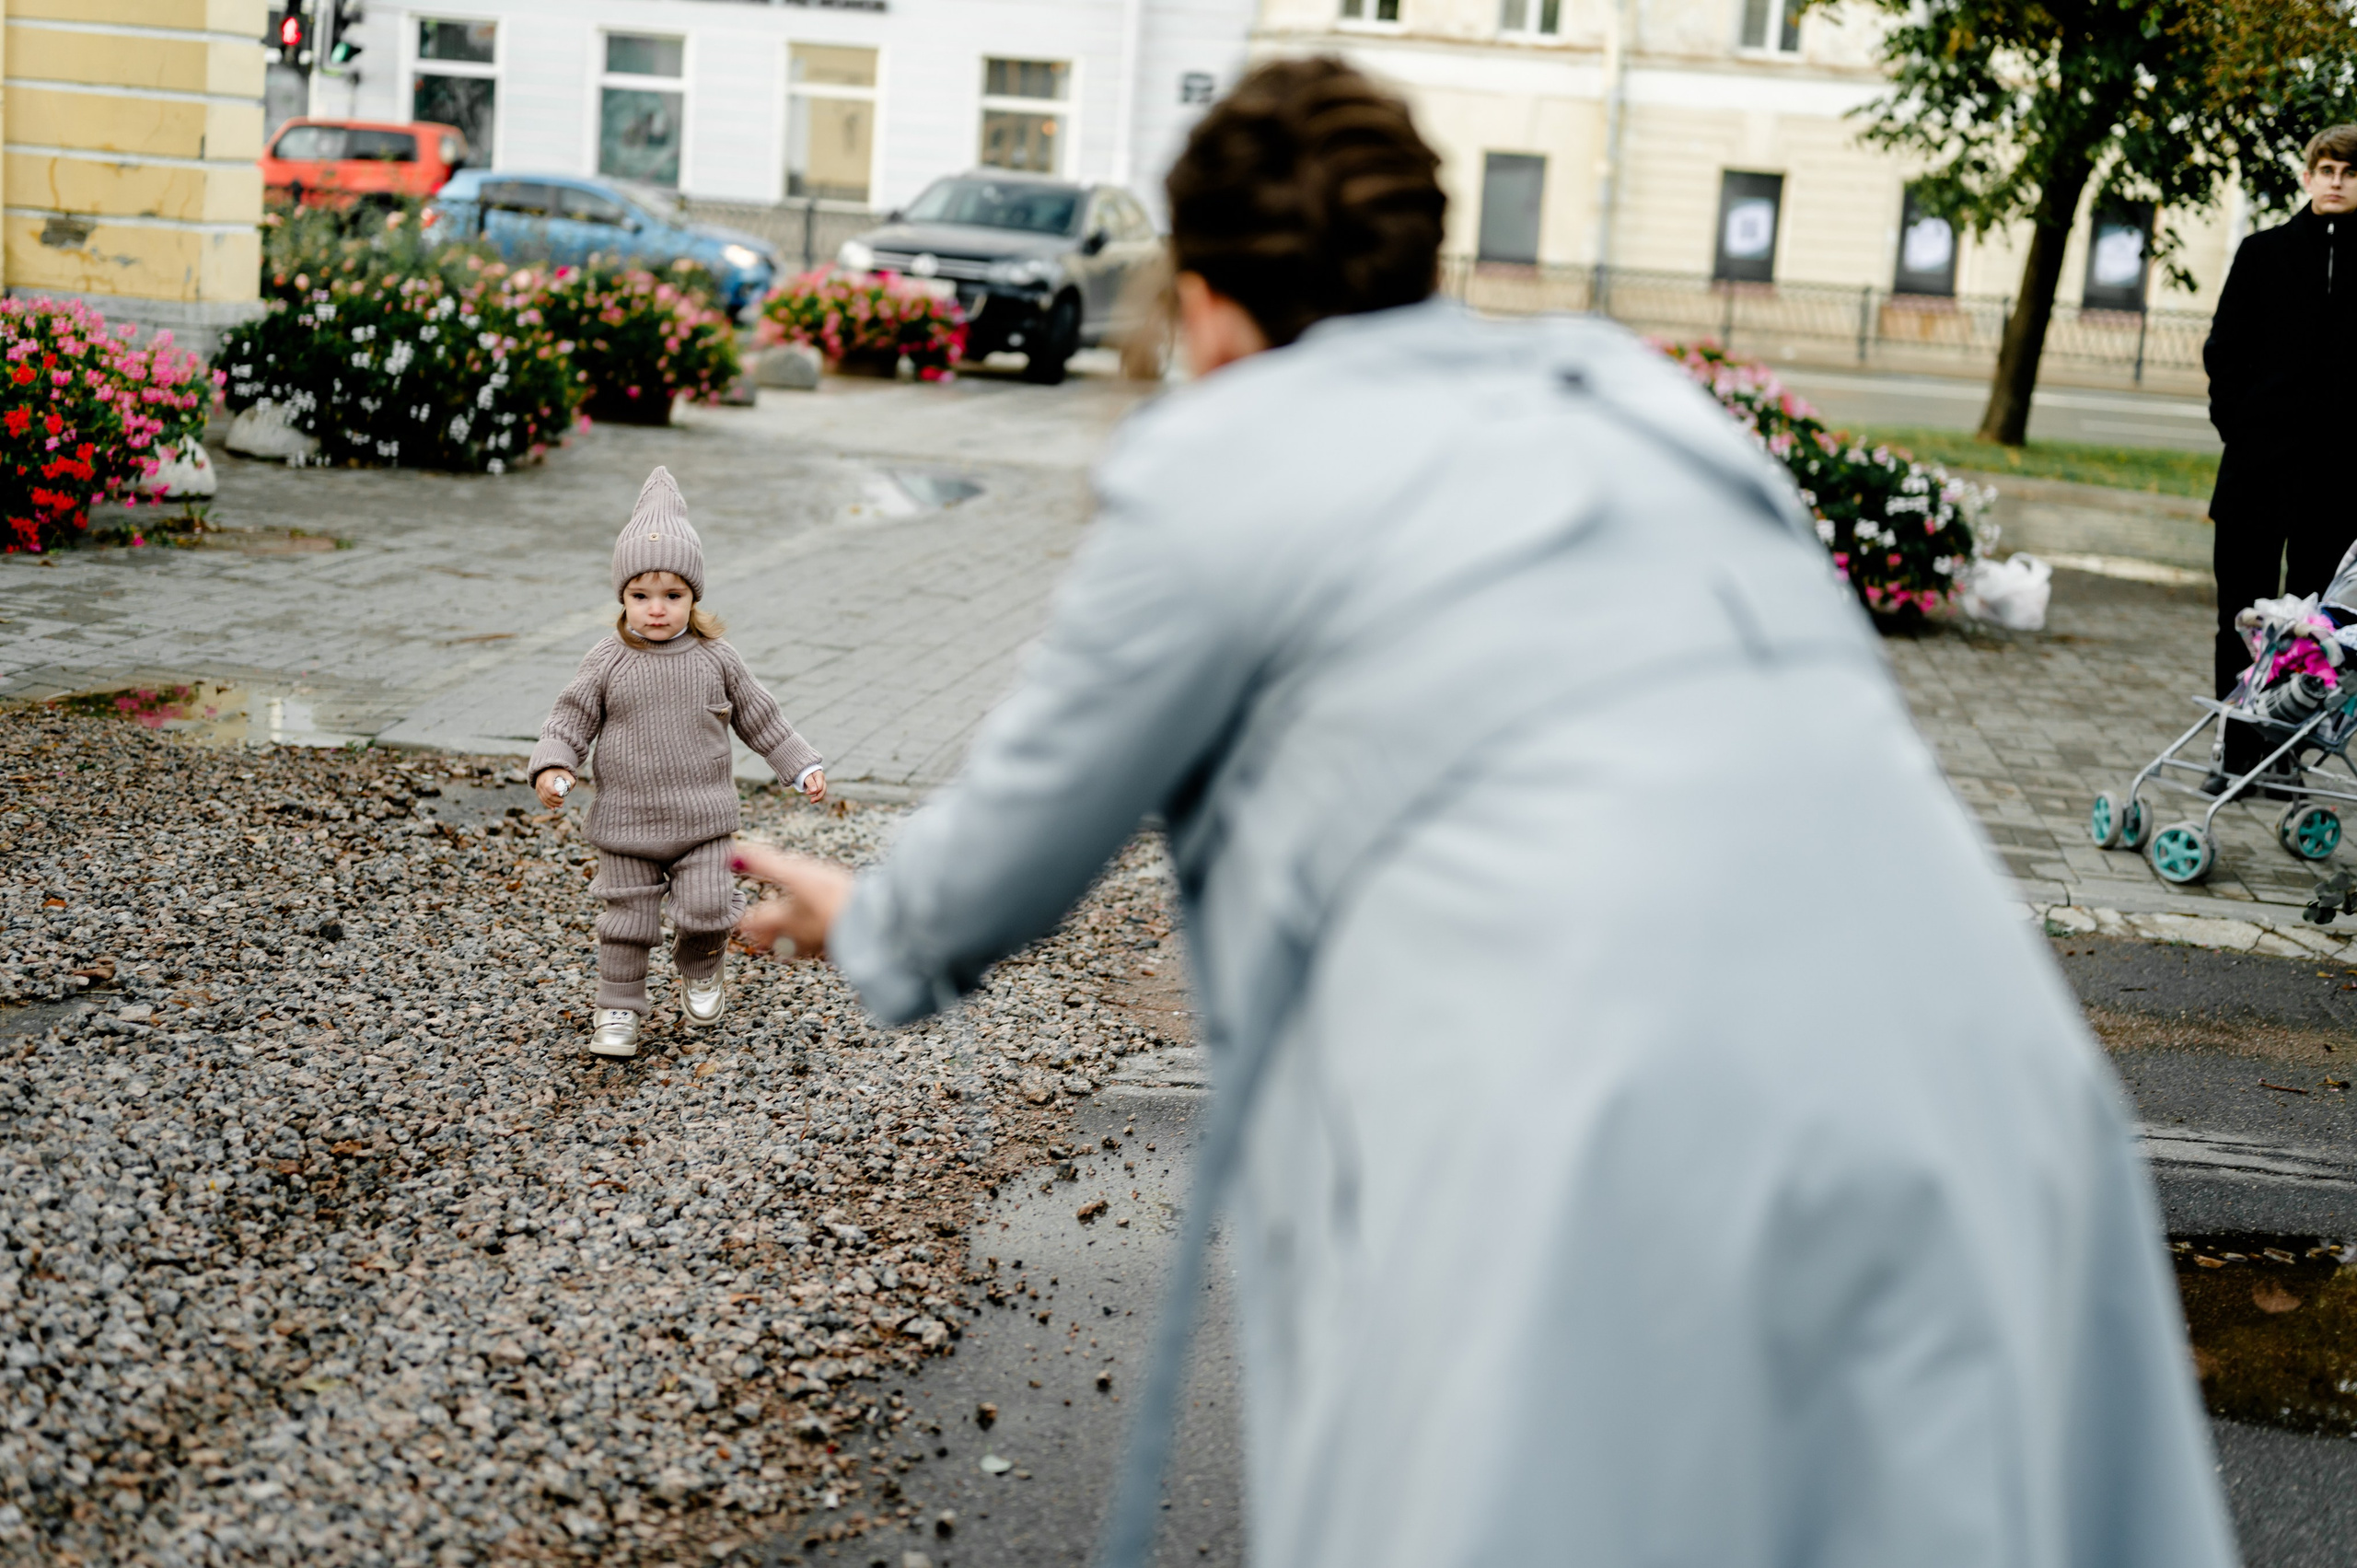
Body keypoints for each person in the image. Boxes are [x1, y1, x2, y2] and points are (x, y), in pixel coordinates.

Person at [735, 58, 2233, 1568]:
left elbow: (1004, 852)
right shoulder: (1645, 403)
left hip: (1607, 1135)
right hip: (1993, 1074)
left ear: (1198, 301)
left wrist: (865, 911)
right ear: (1419, 261)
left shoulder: (1224, 462)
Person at [529, 466, 826, 1060]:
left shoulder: (717, 658)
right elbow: (570, 717)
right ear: (623, 598)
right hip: (626, 826)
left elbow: (760, 717)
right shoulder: (606, 659)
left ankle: (701, 964)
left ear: (694, 597)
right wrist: (553, 765)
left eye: (673, 596)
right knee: (626, 923)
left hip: (703, 823)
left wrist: (798, 764)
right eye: (642, 596)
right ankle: (617, 1009)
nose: (657, 610)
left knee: (709, 908)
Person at [2203, 122, 2357, 789]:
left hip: (2340, 480)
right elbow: (2223, 351)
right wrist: (2241, 427)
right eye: (2325, 168)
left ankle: (2282, 754)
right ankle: (2235, 753)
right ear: (2306, 175)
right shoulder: (2263, 253)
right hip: (2256, 470)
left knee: (2317, 626)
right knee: (2240, 614)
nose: (2335, 180)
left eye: (2349, 171)